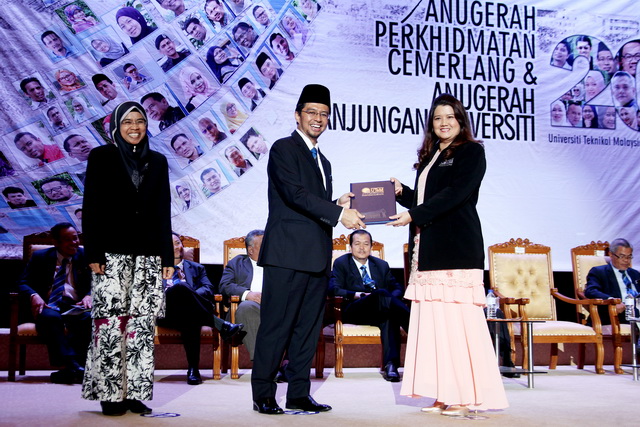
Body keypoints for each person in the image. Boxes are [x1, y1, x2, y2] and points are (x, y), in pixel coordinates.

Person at [388, 93, 508, 416]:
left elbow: (455, 195)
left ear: (460, 121)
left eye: (450, 117)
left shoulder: (472, 152)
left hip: (456, 250)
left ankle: (465, 396)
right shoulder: (431, 156)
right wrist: (402, 194)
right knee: (435, 328)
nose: (443, 123)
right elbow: (427, 199)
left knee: (458, 327)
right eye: (438, 118)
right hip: (428, 251)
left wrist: (414, 215)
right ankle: (443, 393)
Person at [251, 84, 365, 415]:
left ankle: (299, 393)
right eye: (311, 112)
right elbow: (295, 195)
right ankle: (263, 394)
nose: (318, 118)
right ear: (297, 115)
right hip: (287, 255)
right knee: (276, 326)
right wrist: (339, 214)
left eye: (324, 114)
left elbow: (312, 204)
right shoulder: (283, 148)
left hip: (316, 257)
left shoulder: (323, 160)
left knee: (307, 329)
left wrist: (336, 204)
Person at [81, 101, 173, 416]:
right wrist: (93, 251)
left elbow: (163, 210)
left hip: (148, 256)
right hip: (110, 254)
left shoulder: (158, 161)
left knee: (141, 327)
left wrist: (167, 256)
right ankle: (110, 394)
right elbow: (91, 206)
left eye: (140, 121)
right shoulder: (101, 156)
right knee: (110, 324)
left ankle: (135, 393)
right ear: (116, 127)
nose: (134, 127)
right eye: (127, 122)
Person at [160, 232, 243, 384]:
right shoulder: (154, 268)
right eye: (171, 244)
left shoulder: (197, 268)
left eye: (178, 243)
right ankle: (221, 324)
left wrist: (189, 296)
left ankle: (193, 370)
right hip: (165, 312)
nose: (177, 247)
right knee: (180, 289)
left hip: (190, 313)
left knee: (190, 316)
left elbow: (208, 288)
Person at [329, 230, 410, 382]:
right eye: (357, 244)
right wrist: (357, 294)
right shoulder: (341, 263)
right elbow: (334, 289)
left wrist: (388, 298)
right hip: (354, 309)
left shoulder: (381, 265)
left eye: (366, 244)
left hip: (380, 309)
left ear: (371, 247)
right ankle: (413, 326)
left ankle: (391, 366)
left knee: (389, 315)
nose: (362, 248)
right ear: (350, 247)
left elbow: (397, 287)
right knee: (382, 295)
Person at [18, 222, 91, 384]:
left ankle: (70, 370)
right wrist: (34, 295)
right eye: (68, 240)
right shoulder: (41, 257)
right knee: (51, 318)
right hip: (49, 304)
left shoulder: (85, 256)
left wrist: (89, 295)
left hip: (76, 304)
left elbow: (99, 282)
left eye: (75, 238)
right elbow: (23, 283)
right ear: (56, 242)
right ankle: (72, 365)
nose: (74, 243)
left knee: (88, 317)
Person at [219, 230, 265, 361]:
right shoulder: (237, 263)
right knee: (247, 307)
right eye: (264, 244)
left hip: (273, 308)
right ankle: (262, 363)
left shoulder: (277, 263)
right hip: (244, 310)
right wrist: (247, 294)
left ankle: (286, 363)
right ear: (250, 250)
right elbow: (224, 286)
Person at [585, 238, 640, 325]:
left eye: (629, 257)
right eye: (622, 256)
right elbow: (591, 291)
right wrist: (612, 301)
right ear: (611, 254)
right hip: (615, 316)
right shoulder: (599, 272)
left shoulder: (635, 274)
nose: (626, 260)